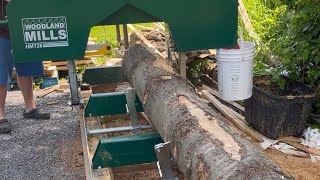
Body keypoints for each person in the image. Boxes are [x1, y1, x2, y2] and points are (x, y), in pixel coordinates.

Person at [0, 0, 50, 133]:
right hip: (2, 29)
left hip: (23, 26)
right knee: (1, 76)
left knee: (26, 70)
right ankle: (0, 117)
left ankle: (30, 108)